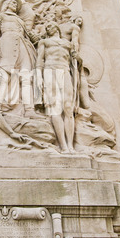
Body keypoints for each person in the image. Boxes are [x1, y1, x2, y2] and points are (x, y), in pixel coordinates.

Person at [0, 0, 41, 118]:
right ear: (5, 4)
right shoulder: (0, 16)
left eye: (15, 3)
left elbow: (28, 33)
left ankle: (29, 110)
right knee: (4, 76)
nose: (14, 4)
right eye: (11, 2)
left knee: (26, 77)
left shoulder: (20, 21)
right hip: (6, 44)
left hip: (23, 46)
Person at [36, 18, 77, 153]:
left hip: (64, 71)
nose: (49, 27)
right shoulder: (45, 42)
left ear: (58, 28)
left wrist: (77, 56)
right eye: (47, 27)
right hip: (50, 70)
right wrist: (38, 77)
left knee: (68, 107)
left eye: (52, 25)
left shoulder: (68, 44)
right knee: (55, 107)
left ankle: (71, 145)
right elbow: (39, 60)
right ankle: (63, 146)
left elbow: (74, 61)